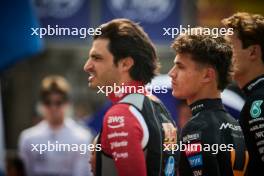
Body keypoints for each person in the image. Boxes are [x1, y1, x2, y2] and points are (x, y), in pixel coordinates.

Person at [83, 18, 179, 176]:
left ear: (125, 64)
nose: (87, 66)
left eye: (97, 58)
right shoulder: (158, 106)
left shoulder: (120, 115)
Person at [168, 28, 248, 176]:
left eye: (180, 66)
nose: (171, 73)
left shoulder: (196, 127)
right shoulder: (236, 125)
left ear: (207, 75)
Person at [18, 75, 93, 176]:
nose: (53, 107)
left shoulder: (82, 137)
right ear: (41, 104)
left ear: (67, 104)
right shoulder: (27, 138)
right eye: (48, 102)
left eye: (58, 102)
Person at [222, 12, 264, 175]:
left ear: (253, 52)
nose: (223, 55)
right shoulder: (254, 96)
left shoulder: (258, 102)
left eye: (229, 48)